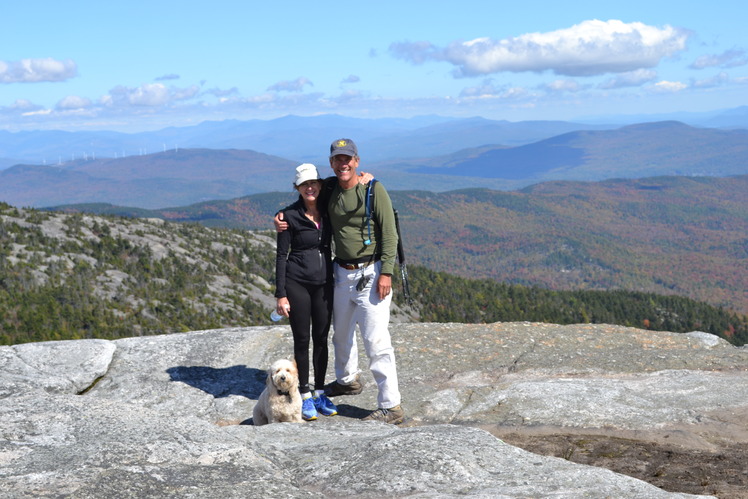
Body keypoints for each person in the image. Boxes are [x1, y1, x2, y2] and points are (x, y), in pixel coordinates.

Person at [275, 139, 404, 424]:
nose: (343, 164)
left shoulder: (374, 189)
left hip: (372, 270)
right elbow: (304, 201)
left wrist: (387, 273)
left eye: (348, 159)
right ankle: (347, 380)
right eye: (337, 160)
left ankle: (391, 405)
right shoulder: (329, 188)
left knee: (375, 339)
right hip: (340, 272)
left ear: (357, 161)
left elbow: (390, 233)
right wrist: (280, 218)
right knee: (340, 333)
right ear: (331, 165)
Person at [274, 163, 338, 421]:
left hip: (324, 283)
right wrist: (281, 294)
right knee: (302, 339)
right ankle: (304, 394)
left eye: (313, 183)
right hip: (297, 283)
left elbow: (343, 180)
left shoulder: (328, 209)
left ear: (320, 185)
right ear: (297, 189)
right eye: (304, 185)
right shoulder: (288, 217)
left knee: (322, 338)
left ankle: (320, 390)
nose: (310, 188)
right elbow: (281, 256)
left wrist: (367, 178)